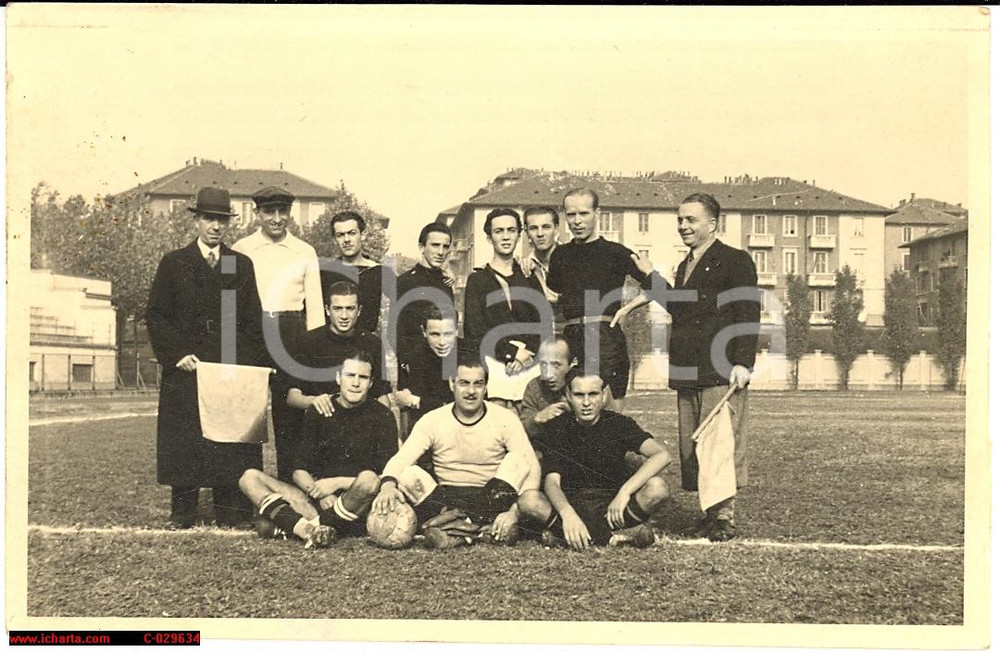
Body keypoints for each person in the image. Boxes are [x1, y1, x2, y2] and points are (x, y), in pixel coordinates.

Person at [631, 192, 759, 542]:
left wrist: (743, 362)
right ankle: (709, 513)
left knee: (718, 444)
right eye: (680, 220)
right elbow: (683, 307)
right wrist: (652, 278)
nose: (683, 226)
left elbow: (748, 313)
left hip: (720, 367)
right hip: (688, 370)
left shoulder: (735, 260)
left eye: (691, 220)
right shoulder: (686, 264)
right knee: (694, 445)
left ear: (712, 224)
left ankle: (723, 517)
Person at [146, 186, 268, 529]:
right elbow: (157, 315)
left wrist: (245, 365)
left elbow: (252, 319)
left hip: (229, 366)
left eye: (221, 220)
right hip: (187, 366)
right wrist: (177, 355)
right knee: (184, 437)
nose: (215, 226)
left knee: (229, 436)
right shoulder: (174, 263)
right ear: (197, 221)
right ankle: (183, 508)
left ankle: (231, 505)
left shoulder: (240, 265)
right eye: (209, 219)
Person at [371, 350, 541, 549]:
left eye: (478, 384)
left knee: (518, 461)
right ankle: (478, 529)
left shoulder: (505, 418)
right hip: (445, 500)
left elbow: (531, 467)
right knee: (408, 474)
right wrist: (388, 487)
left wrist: (514, 512)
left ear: (486, 387)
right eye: (464, 383)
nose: (471, 391)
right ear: (452, 384)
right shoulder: (434, 419)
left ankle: (455, 531)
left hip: (491, 497)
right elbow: (402, 459)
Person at [238, 350, 398, 548]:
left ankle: (294, 525)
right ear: (339, 378)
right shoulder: (320, 410)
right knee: (250, 478)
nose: (356, 383)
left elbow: (387, 475)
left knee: (368, 479)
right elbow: (298, 471)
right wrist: (321, 493)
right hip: (318, 501)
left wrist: (335, 483)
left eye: (363, 377)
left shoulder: (382, 416)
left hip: (356, 502)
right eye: (350, 375)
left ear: (371, 383)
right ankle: (310, 531)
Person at [518, 368, 670, 550]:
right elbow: (552, 482)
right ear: (568, 395)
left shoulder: (619, 424)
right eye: (579, 395)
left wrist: (625, 492)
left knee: (657, 487)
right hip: (571, 504)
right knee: (528, 500)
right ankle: (611, 537)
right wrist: (568, 515)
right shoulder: (556, 427)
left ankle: (564, 537)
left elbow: (662, 455)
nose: (586, 402)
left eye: (593, 394)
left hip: (612, 508)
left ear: (604, 395)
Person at [232, 186, 324, 482]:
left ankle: (290, 485)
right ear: (257, 213)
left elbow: (316, 307)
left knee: (291, 414)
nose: (276, 218)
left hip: (292, 333)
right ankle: (248, 488)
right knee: (249, 414)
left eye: (282, 211)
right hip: (253, 332)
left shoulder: (304, 251)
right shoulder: (242, 248)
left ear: (289, 213)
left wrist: (314, 349)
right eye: (269, 212)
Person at [546, 188, 649, 412]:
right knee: (568, 415)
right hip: (571, 340)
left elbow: (660, 287)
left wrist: (627, 309)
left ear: (597, 213)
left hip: (606, 339)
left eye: (583, 214)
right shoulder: (560, 255)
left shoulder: (616, 252)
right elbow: (556, 294)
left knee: (609, 417)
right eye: (571, 215)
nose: (577, 221)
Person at [462, 208, 544, 407]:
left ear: (519, 234)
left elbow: (542, 321)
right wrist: (511, 353)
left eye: (511, 230)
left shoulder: (529, 275)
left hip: (529, 364)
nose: (506, 237)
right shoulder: (478, 279)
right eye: (499, 231)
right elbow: (474, 329)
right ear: (489, 238)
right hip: (495, 364)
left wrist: (529, 353)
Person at [284, 280, 390, 419]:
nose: (344, 316)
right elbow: (292, 397)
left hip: (360, 422)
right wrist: (314, 400)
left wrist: (390, 429)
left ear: (359, 311)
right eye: (337, 308)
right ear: (327, 310)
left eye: (350, 308)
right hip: (322, 419)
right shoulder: (307, 342)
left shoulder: (372, 343)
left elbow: (381, 395)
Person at [390, 222, 455, 370]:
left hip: (443, 363)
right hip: (415, 365)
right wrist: (405, 361)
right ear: (422, 247)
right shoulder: (405, 282)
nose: (440, 252)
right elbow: (395, 329)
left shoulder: (446, 282)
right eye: (435, 245)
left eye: (445, 247)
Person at [394, 306, 461, 439]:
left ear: (457, 331)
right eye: (435, 334)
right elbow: (406, 401)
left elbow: (463, 406)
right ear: (424, 332)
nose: (442, 342)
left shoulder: (468, 356)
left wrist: (415, 401)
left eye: (447, 334)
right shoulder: (415, 357)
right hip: (429, 432)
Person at [319, 211, 390, 335]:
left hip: (366, 346)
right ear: (335, 239)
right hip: (331, 345)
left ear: (362, 235)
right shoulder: (325, 273)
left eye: (352, 233)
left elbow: (406, 304)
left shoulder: (379, 272)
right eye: (340, 235)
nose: (346, 240)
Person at [518, 335, 575, 446]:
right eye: (543, 364)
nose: (548, 374)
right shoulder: (535, 386)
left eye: (556, 365)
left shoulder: (588, 384)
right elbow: (520, 433)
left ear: (572, 363)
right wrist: (537, 419)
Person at [520, 205, 565, 333]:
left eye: (546, 227)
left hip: (573, 338)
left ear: (556, 229)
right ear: (527, 232)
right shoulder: (524, 267)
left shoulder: (574, 259)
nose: (540, 234)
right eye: (534, 228)